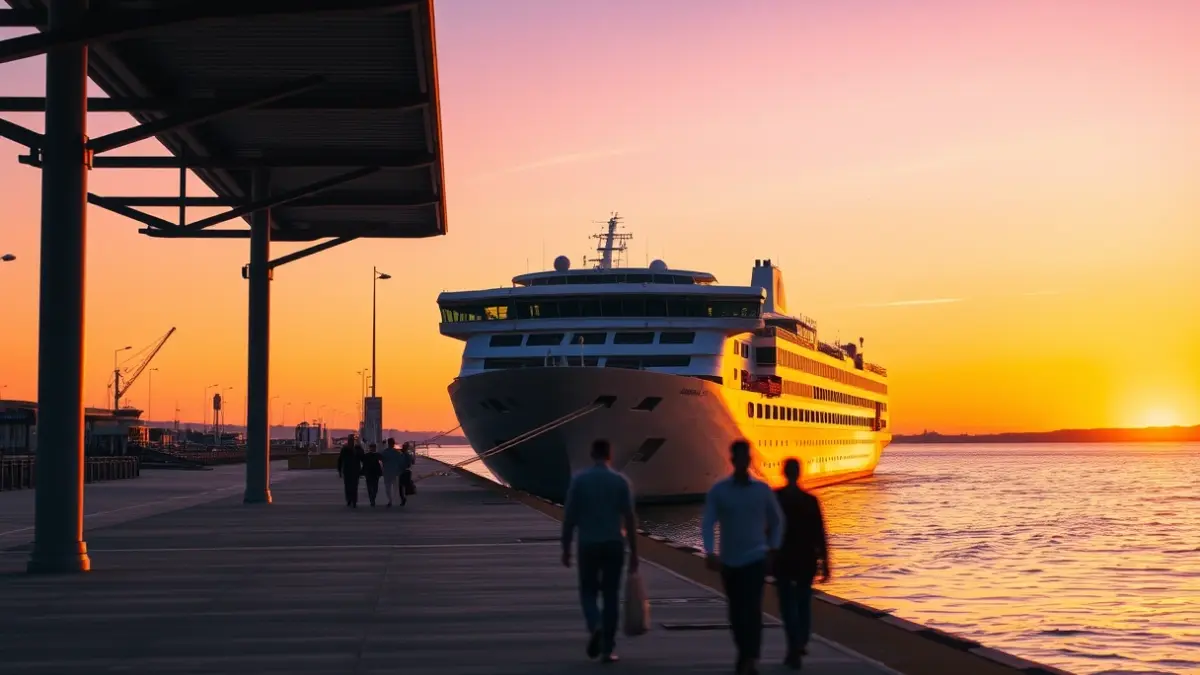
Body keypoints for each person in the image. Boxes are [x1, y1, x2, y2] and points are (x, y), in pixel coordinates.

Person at [702, 440, 783, 675]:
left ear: (749, 460)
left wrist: (772, 549)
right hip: (729, 561)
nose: (742, 462)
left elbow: (778, 521)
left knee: (753, 609)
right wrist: (709, 551)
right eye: (738, 458)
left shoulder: (762, 490)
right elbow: (708, 523)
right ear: (732, 460)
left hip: (756, 558)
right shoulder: (719, 491)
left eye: (745, 458)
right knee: (736, 612)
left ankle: (751, 658)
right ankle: (744, 652)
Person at [561, 439, 639, 664]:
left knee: (588, 591)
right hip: (614, 544)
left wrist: (566, 548)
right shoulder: (620, 482)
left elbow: (570, 518)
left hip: (588, 544)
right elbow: (630, 519)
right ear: (609, 455)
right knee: (611, 595)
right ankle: (608, 648)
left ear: (591, 453)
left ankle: (595, 624)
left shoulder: (579, 481)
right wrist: (634, 552)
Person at [773, 458, 831, 669]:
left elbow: (767, 530)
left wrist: (765, 557)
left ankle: (794, 645)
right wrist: (825, 563)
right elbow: (820, 534)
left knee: (788, 606)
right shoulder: (810, 500)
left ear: (784, 473)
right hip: (805, 560)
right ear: (799, 474)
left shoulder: (775, 498)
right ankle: (800, 642)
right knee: (803, 602)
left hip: (784, 559)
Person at [336, 434, 364, 508]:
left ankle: (353, 500)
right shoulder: (345, 449)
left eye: (352, 440)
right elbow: (340, 460)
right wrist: (339, 470)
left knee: (354, 486)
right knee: (348, 486)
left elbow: (362, 458)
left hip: (354, 470)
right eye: (350, 440)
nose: (351, 441)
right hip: (348, 470)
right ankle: (349, 499)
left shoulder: (357, 448)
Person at [382, 438, 403, 507]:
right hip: (395, 472)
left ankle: (390, 500)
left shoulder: (384, 452)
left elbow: (382, 461)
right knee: (395, 487)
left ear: (388, 443)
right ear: (393, 444)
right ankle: (393, 500)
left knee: (387, 487)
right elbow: (400, 463)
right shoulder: (397, 453)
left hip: (387, 472)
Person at [362, 442, 385, 507]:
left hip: (372, 473)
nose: (373, 449)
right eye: (372, 447)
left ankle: (372, 498)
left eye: (373, 447)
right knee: (373, 487)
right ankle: (372, 498)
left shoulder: (368, 455)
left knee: (372, 487)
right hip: (372, 473)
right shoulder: (376, 455)